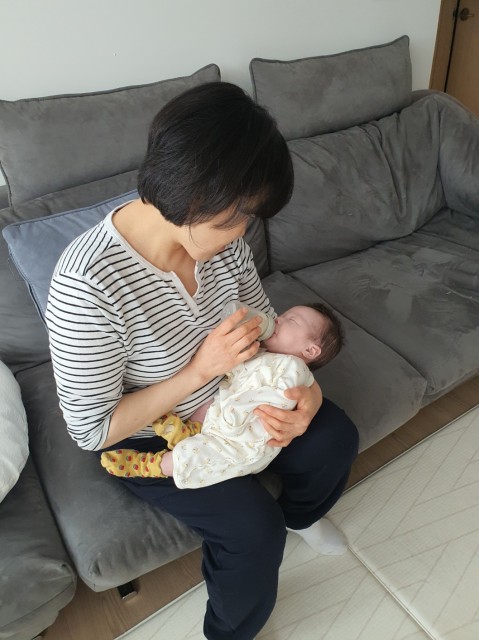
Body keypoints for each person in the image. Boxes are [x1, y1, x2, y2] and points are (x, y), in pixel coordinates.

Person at [46, 82, 359, 640]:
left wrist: (306, 399)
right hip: (159, 434)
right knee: (253, 531)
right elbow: (93, 430)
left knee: (334, 436)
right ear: (192, 194)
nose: (245, 233)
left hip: (237, 395)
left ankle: (303, 515)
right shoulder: (87, 285)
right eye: (238, 218)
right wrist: (197, 372)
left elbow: (263, 322)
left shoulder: (222, 242)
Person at [100, 303, 345, 488]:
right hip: (226, 419)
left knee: (200, 459)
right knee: (209, 405)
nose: (278, 318)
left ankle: (151, 465)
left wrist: (230, 417)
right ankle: (188, 432)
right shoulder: (266, 355)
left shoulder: (292, 368)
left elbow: (266, 401)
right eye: (283, 314)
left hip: (242, 441)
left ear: (310, 350)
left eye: (292, 320)